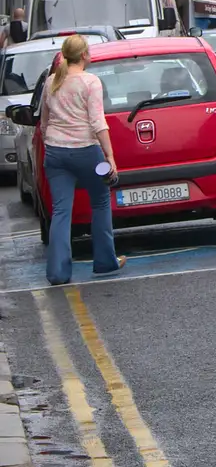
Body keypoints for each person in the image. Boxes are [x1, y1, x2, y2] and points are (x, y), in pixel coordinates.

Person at [38, 35, 124, 284]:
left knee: (61, 210)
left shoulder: (52, 81)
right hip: (87, 151)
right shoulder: (91, 82)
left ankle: (57, 272)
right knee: (100, 201)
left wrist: (51, 142)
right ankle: (106, 262)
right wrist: (110, 156)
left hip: (56, 153)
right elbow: (98, 122)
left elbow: (44, 122)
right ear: (85, 55)